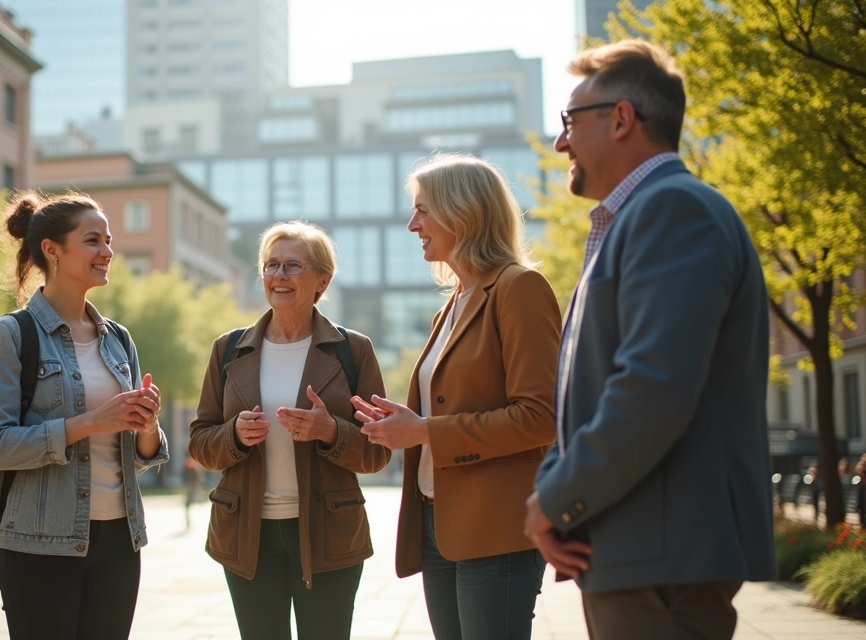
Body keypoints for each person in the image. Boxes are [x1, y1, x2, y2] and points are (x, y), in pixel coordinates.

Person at [525, 40, 775, 639]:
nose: (561, 143)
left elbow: (652, 387)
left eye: (569, 122)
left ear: (620, 119)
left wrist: (557, 498)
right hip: (642, 551)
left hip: (662, 554)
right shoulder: (646, 215)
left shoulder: (672, 210)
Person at [350, 153, 560, 639]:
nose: (411, 225)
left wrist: (424, 431)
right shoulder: (452, 305)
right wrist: (402, 422)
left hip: (496, 528)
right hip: (436, 522)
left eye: (423, 210)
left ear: (463, 211)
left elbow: (541, 416)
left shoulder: (518, 288)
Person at [0, 191, 169, 640]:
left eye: (109, 240)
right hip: (42, 543)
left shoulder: (118, 339)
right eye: (93, 240)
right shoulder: (10, 335)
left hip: (121, 540)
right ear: (52, 250)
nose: (107, 252)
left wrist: (146, 423)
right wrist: (93, 422)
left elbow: (138, 458)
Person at [189, 221, 391, 640]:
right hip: (248, 536)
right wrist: (234, 436)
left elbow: (379, 452)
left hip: (328, 533)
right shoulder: (228, 348)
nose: (278, 275)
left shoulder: (354, 350)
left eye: (293, 266)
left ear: (323, 279)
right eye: (271, 265)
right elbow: (200, 442)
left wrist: (330, 431)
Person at [183, 455, 203, 529]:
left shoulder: (193, 465)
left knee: (191, 503)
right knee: (188, 504)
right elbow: (186, 475)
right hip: (191, 486)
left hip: (193, 486)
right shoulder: (190, 464)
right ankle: (188, 521)